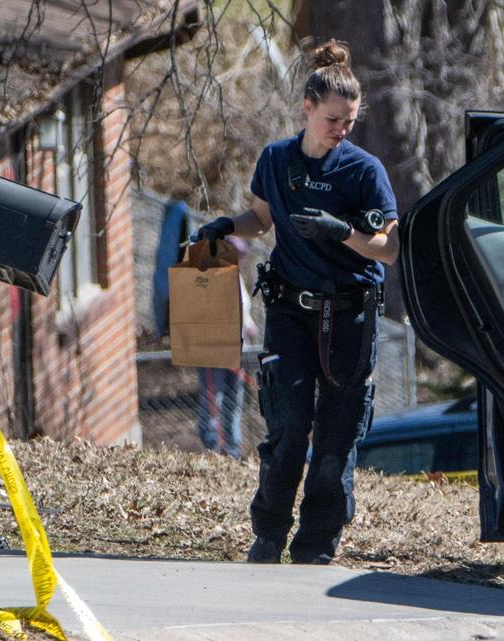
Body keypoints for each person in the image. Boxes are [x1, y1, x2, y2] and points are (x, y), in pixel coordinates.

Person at [195, 39, 399, 565]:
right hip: (289, 309)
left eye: (349, 122)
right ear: (307, 109)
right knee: (286, 430)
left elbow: (390, 249)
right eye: (333, 119)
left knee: (335, 442)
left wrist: (342, 232)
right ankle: (267, 538)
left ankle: (316, 547)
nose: (341, 130)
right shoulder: (277, 160)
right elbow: (260, 219)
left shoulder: (363, 172)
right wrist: (226, 227)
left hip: (349, 315)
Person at [196, 239, 259, 458]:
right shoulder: (210, 279)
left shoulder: (237, 278)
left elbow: (242, 312)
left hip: (239, 350)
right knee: (214, 398)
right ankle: (213, 445)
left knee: (235, 399)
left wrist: (249, 327)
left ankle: (232, 447)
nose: (239, 259)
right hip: (215, 351)